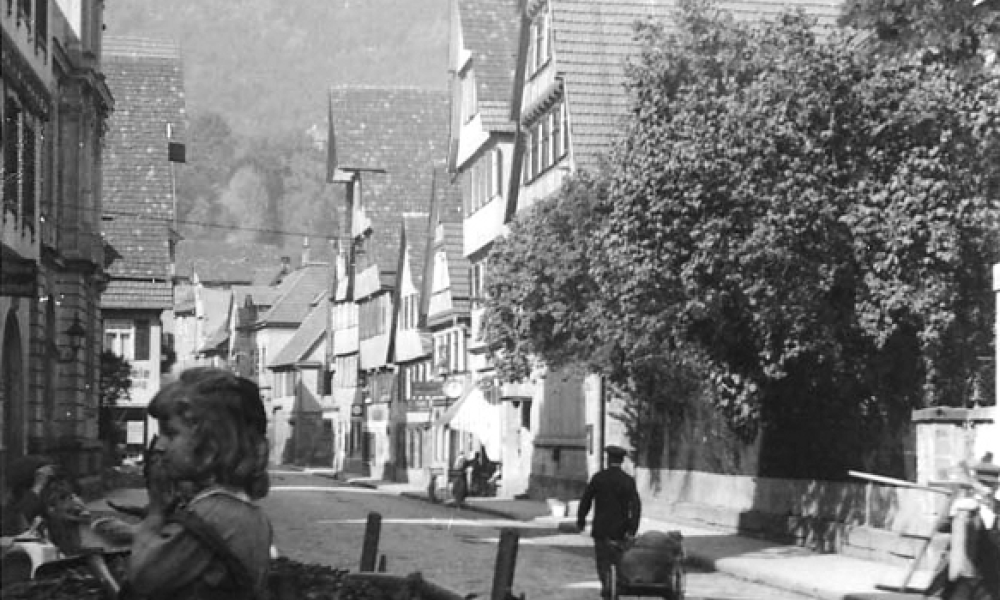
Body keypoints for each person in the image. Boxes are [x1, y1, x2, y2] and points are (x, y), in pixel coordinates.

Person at [127, 367, 273, 600]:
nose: (160, 446)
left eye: (171, 434)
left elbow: (142, 579)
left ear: (211, 444)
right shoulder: (238, 508)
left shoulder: (212, 514)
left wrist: (155, 512)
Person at [577, 445, 642, 599]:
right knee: (619, 560)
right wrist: (632, 529)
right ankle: (615, 585)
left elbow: (586, 500)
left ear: (608, 460)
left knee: (602, 562)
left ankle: (607, 586)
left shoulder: (599, 478)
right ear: (621, 461)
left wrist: (581, 520)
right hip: (620, 530)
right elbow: (636, 506)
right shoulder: (628, 481)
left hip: (601, 529)